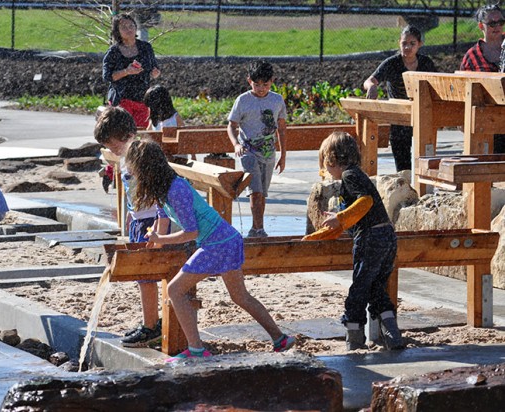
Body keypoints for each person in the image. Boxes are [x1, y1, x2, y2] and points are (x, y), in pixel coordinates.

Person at [125, 138, 295, 362]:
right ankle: (280, 338)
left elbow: (191, 232)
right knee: (240, 296)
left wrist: (162, 238)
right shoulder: (162, 189)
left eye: (134, 169)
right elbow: (162, 218)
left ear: (146, 168)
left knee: (175, 290)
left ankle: (196, 349)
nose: (131, 173)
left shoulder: (176, 189)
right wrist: (154, 241)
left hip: (219, 244)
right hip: (226, 240)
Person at [302, 132, 404, 351]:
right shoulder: (358, 175)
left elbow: (365, 203)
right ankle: (392, 334)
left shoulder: (350, 176)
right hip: (387, 235)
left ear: (331, 159)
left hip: (371, 237)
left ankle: (354, 340)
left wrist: (339, 218)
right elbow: (344, 223)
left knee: (358, 289)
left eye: (324, 163)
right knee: (376, 288)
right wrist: (313, 238)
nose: (325, 170)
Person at [94, 106, 169, 347]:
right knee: (142, 276)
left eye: (111, 144)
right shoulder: (126, 158)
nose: (110, 149)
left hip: (152, 222)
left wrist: (159, 226)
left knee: (147, 275)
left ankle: (152, 327)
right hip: (139, 220)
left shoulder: (142, 156)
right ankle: (150, 322)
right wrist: (129, 218)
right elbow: (130, 192)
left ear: (126, 135)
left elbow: (160, 194)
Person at [363, 25, 437, 172]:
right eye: (404, 43)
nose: (407, 47)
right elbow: (370, 80)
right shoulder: (392, 63)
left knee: (423, 160)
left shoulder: (426, 63)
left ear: (419, 44)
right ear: (399, 43)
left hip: (421, 116)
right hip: (399, 118)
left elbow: (437, 83)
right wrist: (372, 86)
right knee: (403, 166)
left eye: (412, 44)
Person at [227, 60, 287, 238]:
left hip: (268, 152)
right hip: (248, 152)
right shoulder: (243, 100)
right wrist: (236, 144)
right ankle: (259, 229)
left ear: (272, 81)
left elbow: (281, 128)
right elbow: (231, 125)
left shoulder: (277, 100)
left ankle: (256, 227)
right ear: (249, 81)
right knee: (255, 191)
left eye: (265, 84)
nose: (261, 88)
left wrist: (283, 155)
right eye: (256, 84)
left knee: (263, 193)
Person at [102, 13, 161, 128]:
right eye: (124, 27)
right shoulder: (113, 52)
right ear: (117, 31)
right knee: (124, 134)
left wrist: (155, 73)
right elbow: (107, 76)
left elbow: (154, 68)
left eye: (131, 26)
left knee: (143, 134)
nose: (128, 29)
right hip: (122, 100)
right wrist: (126, 71)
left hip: (143, 99)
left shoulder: (146, 47)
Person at [460, 4, 505, 152]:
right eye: (492, 23)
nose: (497, 26)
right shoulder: (472, 56)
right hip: (486, 121)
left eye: (501, 22)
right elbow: (462, 90)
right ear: (481, 26)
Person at [143, 84, 195, 161]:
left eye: (151, 106)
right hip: (161, 156)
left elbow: (186, 136)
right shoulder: (154, 120)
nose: (149, 109)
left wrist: (193, 155)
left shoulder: (175, 118)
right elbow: (147, 135)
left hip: (177, 156)